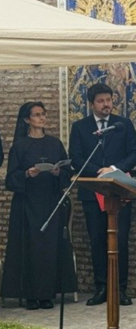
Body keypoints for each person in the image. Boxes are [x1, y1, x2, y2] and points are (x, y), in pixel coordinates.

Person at [69, 83, 136, 306]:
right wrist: (97, 171)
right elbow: (76, 158)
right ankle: (101, 287)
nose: (106, 104)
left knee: (120, 239)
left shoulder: (123, 125)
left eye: (108, 100)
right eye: (101, 101)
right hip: (92, 192)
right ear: (92, 104)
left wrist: (113, 169)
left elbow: (134, 154)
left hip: (119, 190)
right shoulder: (80, 127)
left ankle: (120, 289)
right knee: (97, 239)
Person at [1, 102, 77, 310]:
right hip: (27, 205)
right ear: (27, 120)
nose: (42, 118)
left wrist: (58, 172)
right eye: (36, 115)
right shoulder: (19, 146)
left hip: (50, 202)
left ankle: (47, 294)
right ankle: (30, 295)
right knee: (30, 247)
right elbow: (10, 179)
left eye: (43, 114)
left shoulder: (55, 144)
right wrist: (26, 174)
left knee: (49, 248)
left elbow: (67, 172)